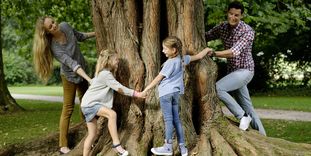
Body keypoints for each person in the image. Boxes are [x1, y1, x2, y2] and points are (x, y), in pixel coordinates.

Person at [32, 16, 96, 154]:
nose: (54, 26)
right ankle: (63, 145)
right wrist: (89, 79)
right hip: (69, 76)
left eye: (53, 22)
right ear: (48, 32)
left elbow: (80, 36)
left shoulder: (66, 26)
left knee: (87, 104)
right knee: (68, 108)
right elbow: (72, 64)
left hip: (83, 71)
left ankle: (90, 136)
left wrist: (96, 33)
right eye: (50, 27)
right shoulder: (55, 47)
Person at [141, 36, 212, 156]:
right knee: (177, 120)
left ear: (174, 50)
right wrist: (207, 49)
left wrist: (146, 90)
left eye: (165, 48)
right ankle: (183, 148)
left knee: (168, 120)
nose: (163, 51)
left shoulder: (169, 63)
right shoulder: (182, 59)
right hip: (176, 94)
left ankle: (167, 147)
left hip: (166, 94)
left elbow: (158, 78)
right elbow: (198, 56)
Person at [205, 1, 266, 135]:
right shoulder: (222, 27)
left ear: (241, 16)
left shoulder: (247, 31)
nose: (233, 17)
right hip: (233, 72)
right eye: (231, 14)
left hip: (245, 71)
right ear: (227, 12)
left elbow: (233, 51)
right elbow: (205, 36)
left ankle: (242, 117)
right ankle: (264, 137)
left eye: (236, 15)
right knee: (248, 107)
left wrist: (214, 53)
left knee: (217, 88)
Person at [81, 49, 144, 156]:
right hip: (91, 104)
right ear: (108, 60)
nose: (118, 61)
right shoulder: (105, 74)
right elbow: (119, 88)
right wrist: (136, 94)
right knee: (112, 114)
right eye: (116, 59)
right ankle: (116, 145)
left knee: (92, 134)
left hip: (86, 104)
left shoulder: (101, 73)